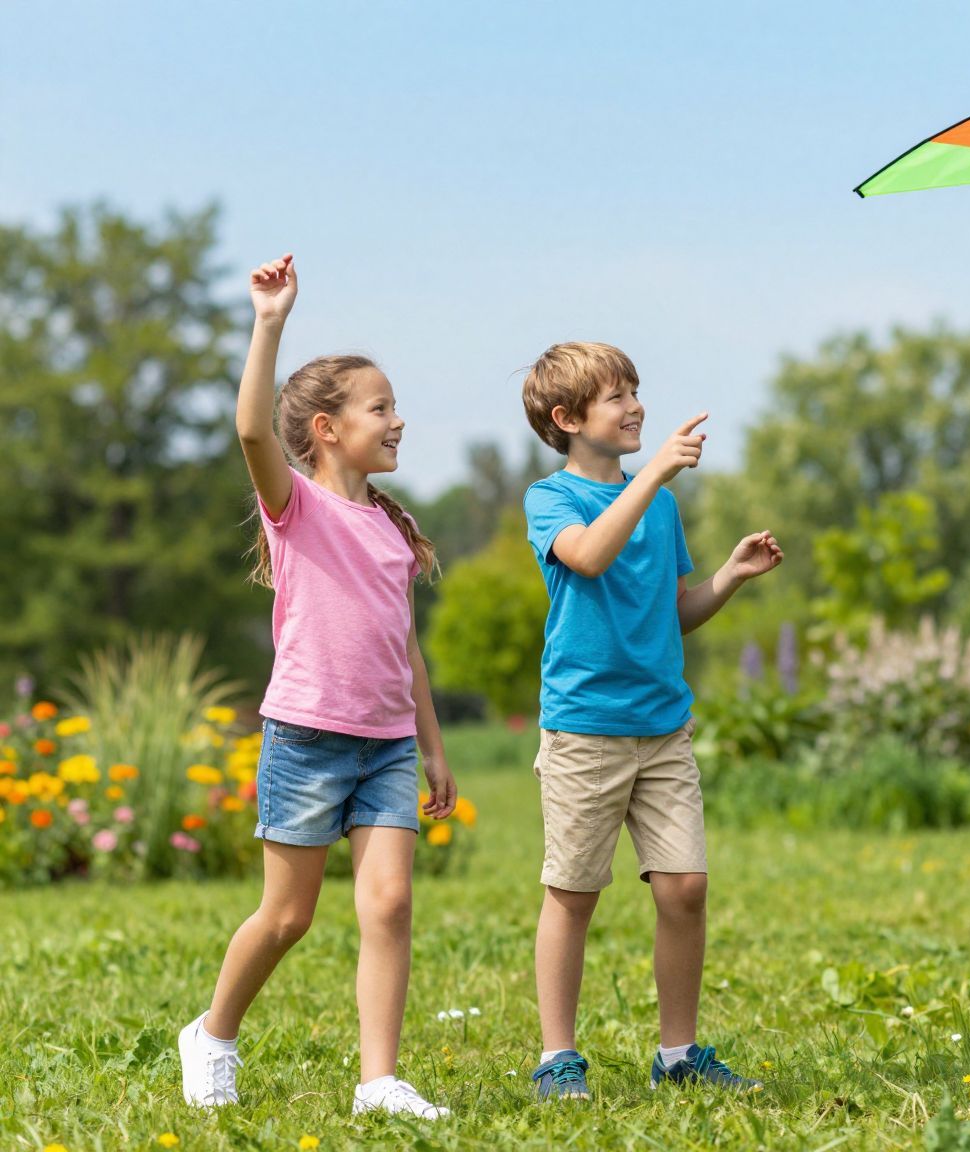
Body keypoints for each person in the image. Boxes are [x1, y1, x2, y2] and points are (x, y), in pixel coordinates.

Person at [180, 254, 456, 1119]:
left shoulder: (390, 529)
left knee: (391, 903)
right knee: (288, 916)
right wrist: (270, 323)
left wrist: (434, 747)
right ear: (331, 429)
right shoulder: (295, 506)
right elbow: (255, 431)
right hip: (305, 737)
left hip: (386, 746)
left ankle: (379, 1080)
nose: (399, 420)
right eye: (382, 408)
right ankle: (213, 1033)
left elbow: (403, 648)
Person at [519, 342, 783, 1101]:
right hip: (585, 729)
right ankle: (558, 1057)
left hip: (662, 727)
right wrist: (659, 473)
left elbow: (675, 613)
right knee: (573, 892)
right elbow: (591, 558)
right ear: (568, 420)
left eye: (635, 390)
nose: (635, 404)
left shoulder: (660, 506)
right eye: (616, 396)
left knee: (686, 888)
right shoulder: (552, 500)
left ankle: (678, 1053)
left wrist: (728, 577)